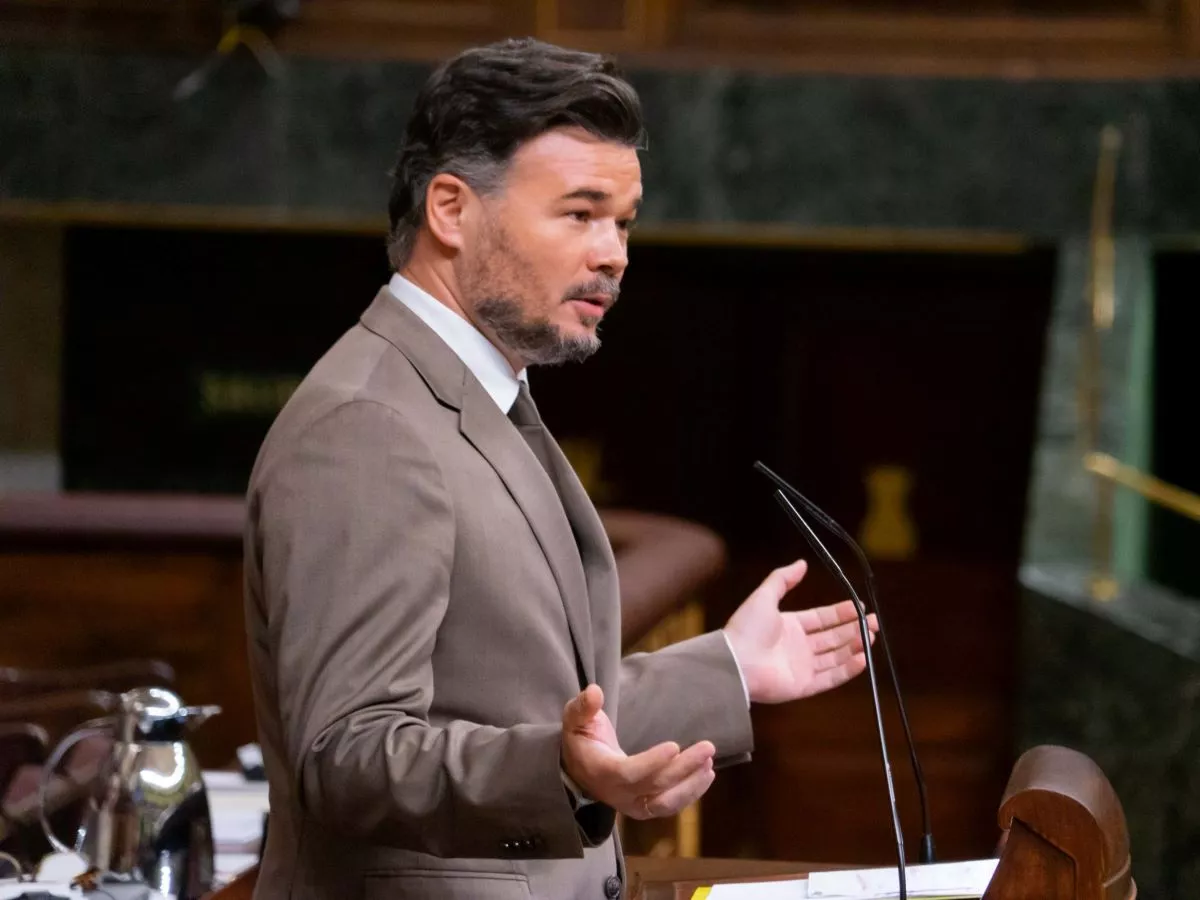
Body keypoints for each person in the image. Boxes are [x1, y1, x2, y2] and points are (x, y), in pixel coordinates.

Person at [242, 37, 876, 900]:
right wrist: (563, 773)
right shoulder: (368, 427)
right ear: (451, 210)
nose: (614, 254)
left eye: (624, 222)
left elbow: (529, 706)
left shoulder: (481, 393)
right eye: (580, 215)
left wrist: (728, 669)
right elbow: (347, 755)